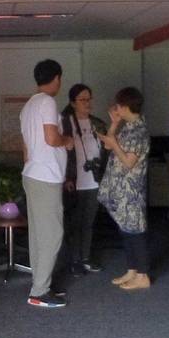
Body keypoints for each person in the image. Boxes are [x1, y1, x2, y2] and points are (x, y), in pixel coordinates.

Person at [20, 59, 74, 308]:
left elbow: (25, 147)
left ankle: (40, 284)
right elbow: (52, 138)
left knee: (38, 234)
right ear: (57, 78)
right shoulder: (48, 102)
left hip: (32, 174)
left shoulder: (28, 106)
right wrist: (67, 141)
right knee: (52, 234)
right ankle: (39, 291)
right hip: (45, 177)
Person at [97, 87, 151, 290]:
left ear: (126, 106)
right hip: (120, 190)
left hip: (131, 190)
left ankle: (143, 275)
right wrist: (114, 124)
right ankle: (132, 270)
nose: (116, 108)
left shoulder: (139, 131)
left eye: (118, 105)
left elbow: (129, 162)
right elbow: (108, 146)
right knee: (125, 229)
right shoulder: (128, 126)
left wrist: (114, 144)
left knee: (135, 231)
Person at [61, 84, 107, 276]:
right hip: (74, 180)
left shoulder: (97, 123)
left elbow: (106, 149)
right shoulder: (65, 123)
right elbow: (60, 152)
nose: (87, 103)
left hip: (94, 179)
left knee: (89, 221)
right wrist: (65, 176)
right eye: (82, 100)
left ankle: (86, 257)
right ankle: (74, 260)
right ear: (73, 103)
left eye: (89, 99)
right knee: (75, 222)